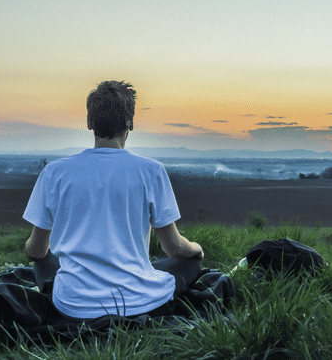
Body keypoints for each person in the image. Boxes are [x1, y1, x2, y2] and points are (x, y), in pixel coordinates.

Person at [23, 80, 204, 320]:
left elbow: (35, 250)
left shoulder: (54, 172)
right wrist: (196, 250)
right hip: (138, 302)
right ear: (130, 123)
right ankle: (140, 280)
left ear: (89, 123)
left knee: (43, 259)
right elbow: (173, 248)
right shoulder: (151, 171)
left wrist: (45, 252)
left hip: (73, 305)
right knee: (190, 263)